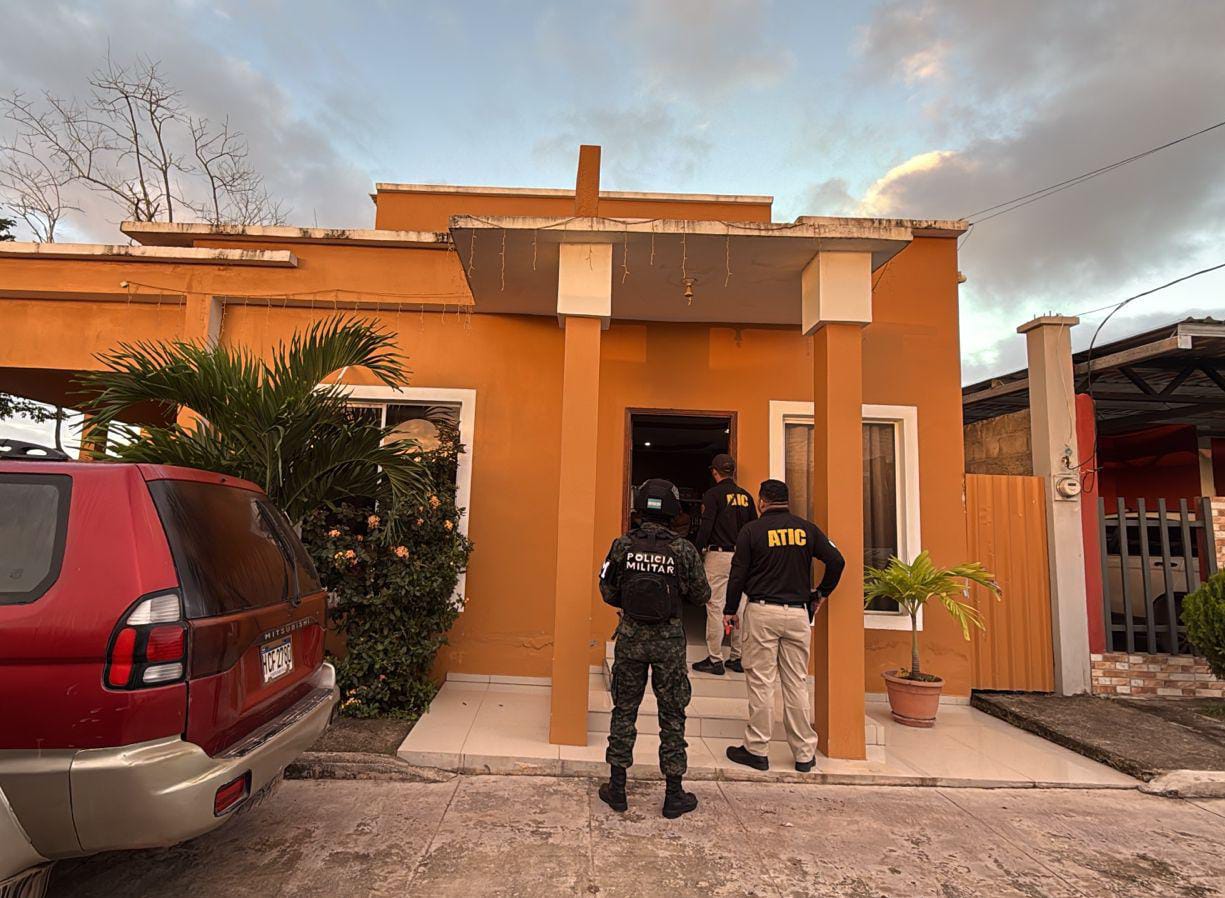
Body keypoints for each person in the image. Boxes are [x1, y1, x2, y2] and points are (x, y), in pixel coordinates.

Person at [598, 478, 711, 818]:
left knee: (624, 710)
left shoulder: (623, 545)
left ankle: (617, 788)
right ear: (673, 510)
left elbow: (606, 589)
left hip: (631, 637)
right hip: (669, 642)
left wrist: (631, 603)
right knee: (672, 714)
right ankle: (673, 794)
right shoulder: (683, 550)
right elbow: (702, 595)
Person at [722, 479, 845, 773]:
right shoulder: (806, 529)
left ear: (762, 501)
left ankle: (757, 749)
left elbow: (738, 574)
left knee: (761, 682)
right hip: (798, 614)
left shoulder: (751, 531)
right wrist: (821, 593)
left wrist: (729, 609)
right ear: (788, 501)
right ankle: (804, 753)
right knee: (796, 682)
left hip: (762, 612)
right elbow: (837, 561)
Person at [691, 453, 757, 676]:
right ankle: (737, 657)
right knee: (739, 607)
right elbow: (754, 529)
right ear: (733, 472)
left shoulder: (713, 495)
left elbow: (706, 526)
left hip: (719, 556)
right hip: (743, 558)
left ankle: (715, 659)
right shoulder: (746, 497)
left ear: (714, 472)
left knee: (715, 605)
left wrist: (696, 550)